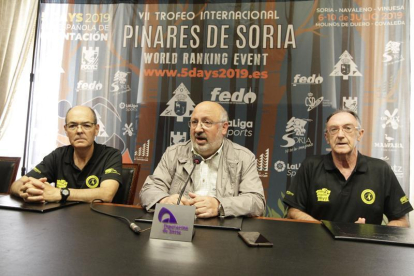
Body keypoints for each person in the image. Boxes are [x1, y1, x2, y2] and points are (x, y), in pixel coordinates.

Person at [283, 110, 413, 227]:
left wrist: (374, 235)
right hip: (319, 249)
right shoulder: (310, 166)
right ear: (326, 137)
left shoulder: (380, 169)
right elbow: (293, 211)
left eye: (347, 128)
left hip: (365, 250)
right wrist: (325, 231)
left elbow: (402, 221)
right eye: (333, 129)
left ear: (360, 134)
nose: (340, 135)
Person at [140, 101, 265, 218]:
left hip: (222, 228)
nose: (198, 129)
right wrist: (165, 200)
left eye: (207, 122)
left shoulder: (243, 157)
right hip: (178, 226)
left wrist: (219, 205)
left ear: (224, 128)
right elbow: (148, 190)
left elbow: (256, 201)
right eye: (194, 122)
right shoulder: (173, 153)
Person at [10, 106, 123, 203]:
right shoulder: (58, 155)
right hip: (62, 221)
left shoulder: (111, 155)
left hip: (98, 222)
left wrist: (60, 193)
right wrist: (25, 191)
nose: (79, 131)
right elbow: (17, 184)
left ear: (96, 129)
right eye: (72, 125)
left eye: (86, 125)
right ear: (66, 130)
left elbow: (106, 194)